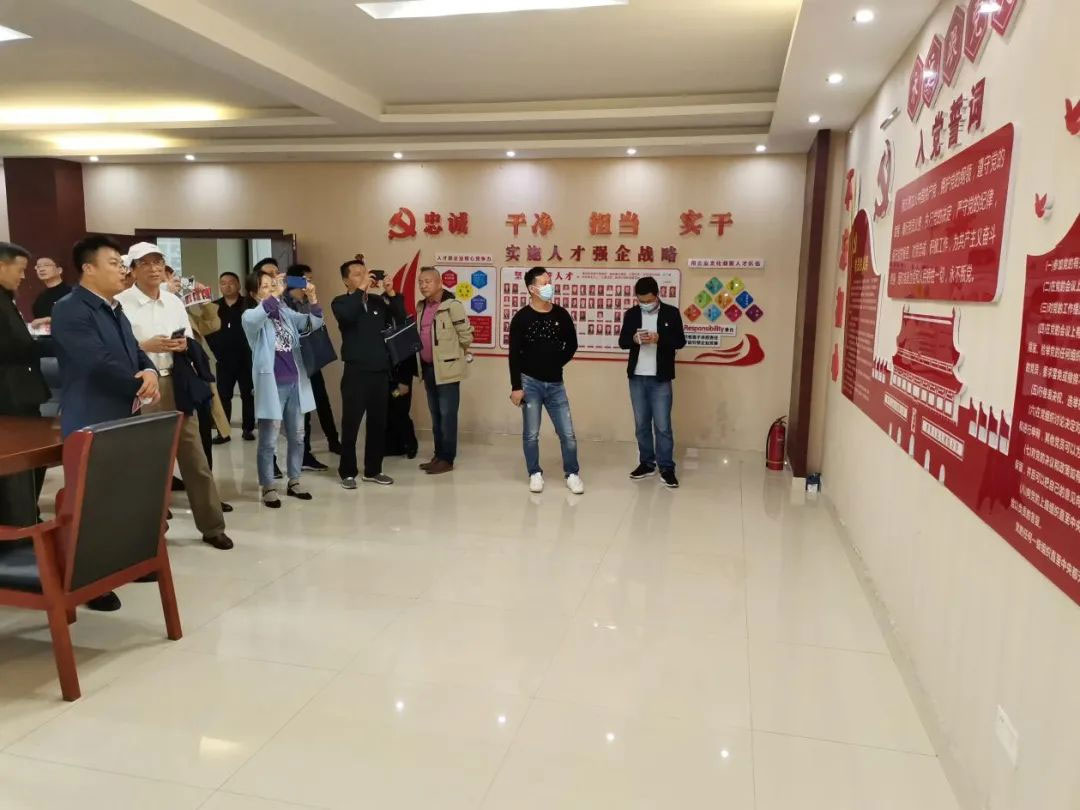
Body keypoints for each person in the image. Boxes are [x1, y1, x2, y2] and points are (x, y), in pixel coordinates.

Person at [52, 236, 161, 611]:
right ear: (88, 268)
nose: (122, 269)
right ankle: (90, 582)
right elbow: (95, 362)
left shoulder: (115, 309)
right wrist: (138, 383)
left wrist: (149, 371)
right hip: (91, 416)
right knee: (92, 504)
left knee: (123, 497)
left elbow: (135, 351)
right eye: (114, 262)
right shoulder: (70, 309)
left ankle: (125, 565)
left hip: (123, 413)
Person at [116, 243, 233, 551]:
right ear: (133, 269)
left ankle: (212, 526)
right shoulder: (121, 304)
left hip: (178, 383)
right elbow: (115, 349)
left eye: (158, 262)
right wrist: (145, 347)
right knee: (149, 463)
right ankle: (151, 531)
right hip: (145, 388)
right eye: (145, 263)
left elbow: (191, 338)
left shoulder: (172, 301)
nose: (154, 268)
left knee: (195, 459)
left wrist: (182, 345)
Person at [242, 270, 324, 507]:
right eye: (265, 286)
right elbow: (257, 317)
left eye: (273, 284)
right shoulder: (250, 316)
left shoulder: (285, 312)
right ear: (253, 293)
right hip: (272, 385)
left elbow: (313, 323)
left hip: (295, 382)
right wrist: (276, 295)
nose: (270, 289)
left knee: (297, 436)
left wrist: (313, 299)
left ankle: (294, 480)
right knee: (268, 440)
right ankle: (268, 486)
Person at [508, 266, 584, 494]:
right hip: (529, 382)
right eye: (544, 283)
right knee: (531, 434)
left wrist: (556, 361)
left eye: (549, 282)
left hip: (555, 384)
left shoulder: (561, 314)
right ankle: (534, 473)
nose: (549, 286)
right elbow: (514, 355)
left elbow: (572, 344)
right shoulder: (522, 318)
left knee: (567, 434)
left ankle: (572, 474)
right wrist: (516, 387)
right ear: (532, 289)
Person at [331, 258, 403, 488]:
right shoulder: (341, 302)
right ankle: (347, 472)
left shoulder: (377, 301)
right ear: (346, 281)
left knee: (378, 423)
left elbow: (400, 318)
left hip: (380, 371)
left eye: (365, 273)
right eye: (357, 274)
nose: (364, 277)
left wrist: (391, 293)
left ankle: (373, 470)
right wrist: (361, 290)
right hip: (356, 371)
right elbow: (348, 316)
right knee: (351, 424)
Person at [0, 242, 52, 536]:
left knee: (33, 462)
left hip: (23, 392)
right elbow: (13, 346)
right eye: (19, 270)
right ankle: (19, 527)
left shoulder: (7, 299)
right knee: (18, 467)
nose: (23, 277)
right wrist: (42, 345)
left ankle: (27, 516)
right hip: (8, 397)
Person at [618, 276, 686, 489]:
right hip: (637, 377)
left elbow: (680, 341)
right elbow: (622, 342)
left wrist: (660, 338)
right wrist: (634, 339)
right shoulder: (631, 314)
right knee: (641, 425)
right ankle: (647, 463)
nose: (644, 304)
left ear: (657, 295)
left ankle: (666, 467)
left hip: (660, 378)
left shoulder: (671, 313)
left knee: (663, 426)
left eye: (648, 300)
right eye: (640, 301)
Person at [415, 266, 473, 474]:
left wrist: (455, 355)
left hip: (447, 369)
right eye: (420, 282)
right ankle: (438, 455)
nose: (423, 285)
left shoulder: (452, 306)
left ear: (439, 283)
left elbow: (466, 336)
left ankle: (447, 459)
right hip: (428, 368)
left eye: (427, 281)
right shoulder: (421, 306)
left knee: (447, 415)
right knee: (436, 414)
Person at [284, 263, 341, 470]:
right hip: (296, 365)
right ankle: (304, 454)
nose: (310, 284)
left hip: (312, 360)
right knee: (303, 410)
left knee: (322, 402)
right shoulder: (284, 304)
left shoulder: (307, 302)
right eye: (306, 279)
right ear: (294, 281)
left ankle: (333, 441)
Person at [207, 271, 256, 441]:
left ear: (239, 285)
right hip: (224, 360)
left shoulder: (249, 304)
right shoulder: (214, 307)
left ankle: (248, 429)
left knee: (247, 394)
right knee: (223, 395)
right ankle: (223, 432)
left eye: (231, 282)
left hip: (246, 359)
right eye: (223, 283)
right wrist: (216, 349)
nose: (227, 286)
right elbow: (208, 330)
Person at [378, 269, 418, 461]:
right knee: (386, 410)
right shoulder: (379, 328)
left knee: (400, 409)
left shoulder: (403, 326)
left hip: (400, 378)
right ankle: (391, 446)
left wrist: (403, 381)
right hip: (384, 377)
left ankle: (409, 444)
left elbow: (408, 355)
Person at [30, 256, 71, 328]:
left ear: (59, 270)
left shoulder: (72, 292)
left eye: (46, 265)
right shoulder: (39, 299)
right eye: (38, 267)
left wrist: (48, 320)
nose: (41, 269)